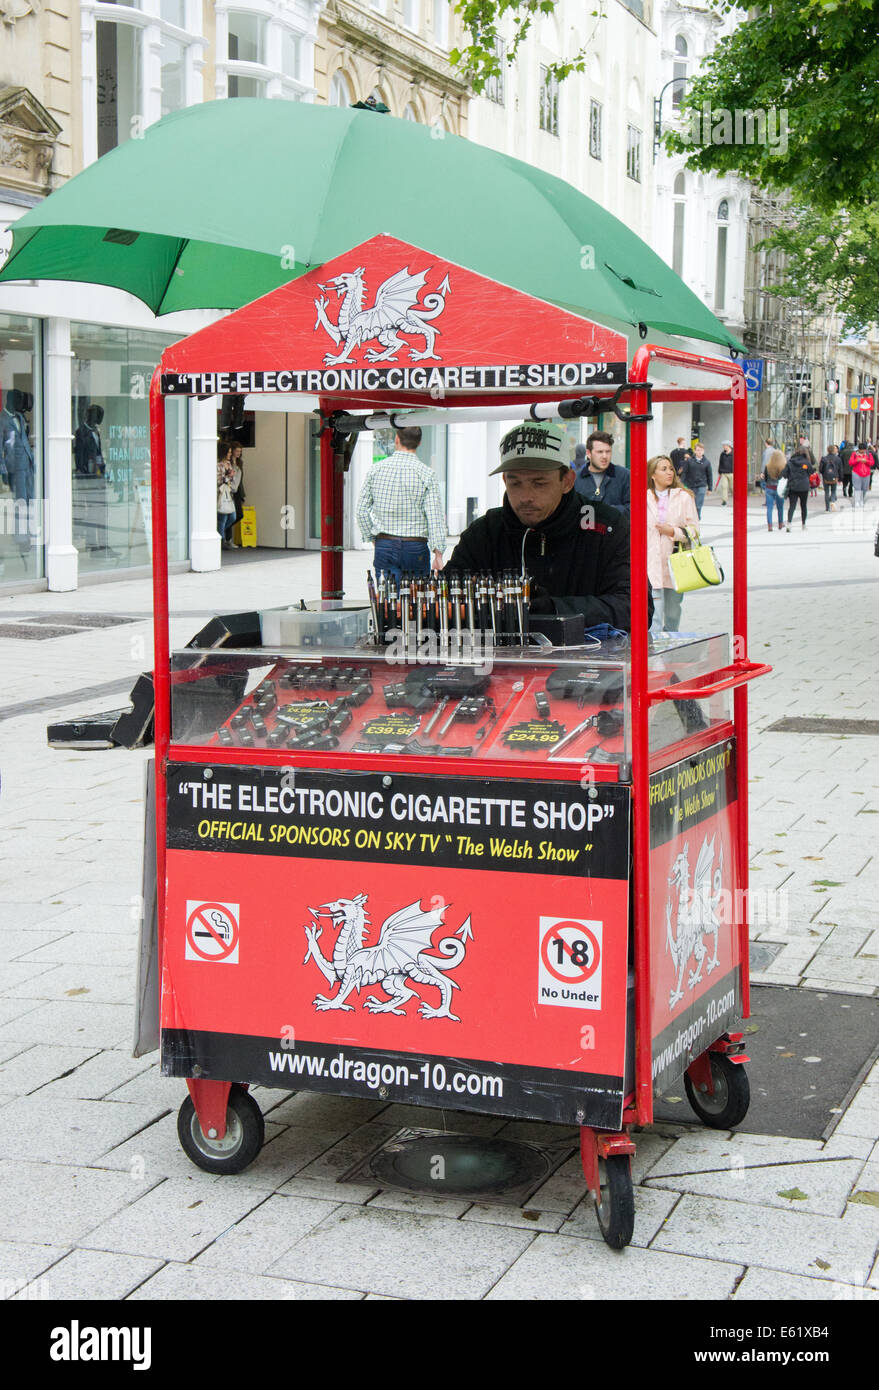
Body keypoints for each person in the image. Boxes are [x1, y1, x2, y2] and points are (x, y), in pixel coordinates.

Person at [447, 421, 641, 632]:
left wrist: (555, 608)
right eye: (515, 483)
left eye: (539, 483)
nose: (525, 497)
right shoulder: (484, 533)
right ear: (504, 480)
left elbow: (636, 607)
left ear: (567, 481)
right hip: (500, 661)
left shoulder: (606, 527)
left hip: (589, 662)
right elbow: (445, 598)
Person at [356, 425, 446, 582]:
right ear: (419, 443)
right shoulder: (427, 474)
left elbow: (361, 511)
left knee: (388, 599)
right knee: (415, 599)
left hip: (385, 543)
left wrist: (372, 537)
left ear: (396, 439)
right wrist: (438, 553)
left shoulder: (375, 470)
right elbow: (435, 517)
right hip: (415, 546)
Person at [646, 454, 700, 633]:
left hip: (675, 564)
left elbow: (694, 532)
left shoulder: (683, 497)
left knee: (672, 614)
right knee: (653, 616)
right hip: (650, 563)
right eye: (664, 469)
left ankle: (670, 649)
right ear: (652, 475)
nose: (669, 473)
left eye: (671, 469)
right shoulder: (642, 497)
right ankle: (653, 655)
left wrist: (673, 532)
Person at [573, 429, 630, 511]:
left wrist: (607, 511)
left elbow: (634, 509)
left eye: (608, 451)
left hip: (614, 523)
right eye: (600, 452)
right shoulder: (575, 479)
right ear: (588, 453)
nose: (604, 456)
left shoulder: (624, 476)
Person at [781, 442, 811, 530]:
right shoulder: (806, 462)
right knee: (803, 505)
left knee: (792, 506)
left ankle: (789, 523)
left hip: (793, 486)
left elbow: (784, 474)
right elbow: (811, 472)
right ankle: (803, 525)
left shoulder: (790, 462)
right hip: (804, 486)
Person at [679, 441, 712, 517]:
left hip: (701, 485)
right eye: (697, 450)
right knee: (691, 503)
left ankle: (697, 517)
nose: (699, 452)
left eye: (701, 450)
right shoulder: (689, 461)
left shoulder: (707, 462)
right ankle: (692, 517)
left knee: (698, 503)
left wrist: (710, 488)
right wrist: (681, 484)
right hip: (690, 485)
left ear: (703, 451)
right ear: (695, 451)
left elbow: (709, 475)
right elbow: (684, 473)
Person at [217, 441, 237, 549]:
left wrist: (230, 476)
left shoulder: (228, 464)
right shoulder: (218, 464)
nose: (230, 454)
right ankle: (221, 539)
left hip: (228, 493)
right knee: (223, 516)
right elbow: (218, 479)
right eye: (228, 452)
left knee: (232, 516)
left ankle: (220, 533)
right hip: (220, 493)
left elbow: (230, 479)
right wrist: (228, 476)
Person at [762, 448, 786, 531]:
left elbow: (765, 479)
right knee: (780, 507)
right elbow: (784, 479)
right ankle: (780, 523)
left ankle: (770, 525)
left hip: (769, 488)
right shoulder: (783, 467)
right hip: (779, 488)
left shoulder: (767, 466)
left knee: (769, 508)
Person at [228, 441, 246, 545]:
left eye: (240, 451)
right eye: (237, 451)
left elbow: (240, 479)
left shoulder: (240, 463)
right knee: (230, 514)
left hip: (238, 490)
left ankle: (226, 535)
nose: (239, 453)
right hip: (230, 490)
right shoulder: (228, 462)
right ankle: (228, 538)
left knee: (239, 514)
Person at [850, 442, 873, 509]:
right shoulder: (854, 454)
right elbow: (850, 462)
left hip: (866, 473)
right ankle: (857, 501)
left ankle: (862, 499)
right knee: (857, 488)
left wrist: (866, 461)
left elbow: (872, 463)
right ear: (859, 449)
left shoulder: (869, 454)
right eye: (861, 450)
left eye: (864, 450)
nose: (862, 451)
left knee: (865, 488)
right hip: (856, 473)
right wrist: (857, 460)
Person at [818, 444, 841, 511]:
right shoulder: (838, 459)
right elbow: (840, 469)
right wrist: (840, 477)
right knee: (833, 491)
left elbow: (820, 469)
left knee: (826, 492)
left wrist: (823, 474)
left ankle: (827, 508)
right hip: (834, 477)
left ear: (827, 450)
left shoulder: (824, 458)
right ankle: (833, 501)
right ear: (834, 450)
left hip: (826, 477)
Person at [716, 440, 734, 505]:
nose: (724, 447)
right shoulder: (722, 454)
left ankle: (736, 499)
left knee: (733, 487)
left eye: (725, 445)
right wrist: (719, 472)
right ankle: (724, 500)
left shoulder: (734, 453)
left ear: (729, 445)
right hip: (724, 473)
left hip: (732, 473)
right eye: (723, 446)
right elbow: (720, 463)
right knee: (724, 486)